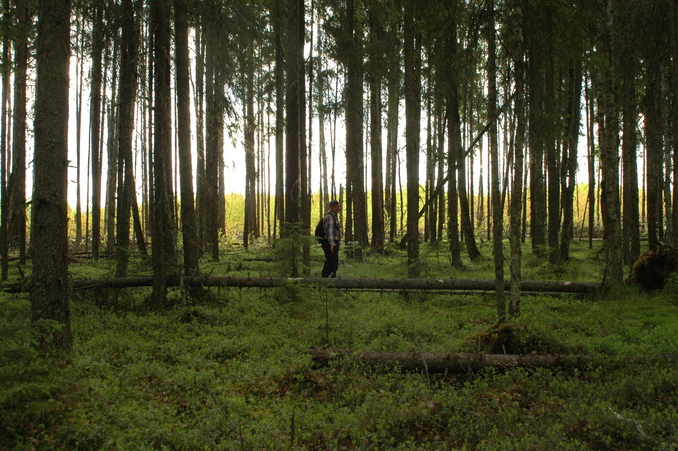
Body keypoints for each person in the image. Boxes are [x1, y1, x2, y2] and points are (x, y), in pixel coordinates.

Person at [321, 200, 342, 278]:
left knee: (330, 263)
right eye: (335, 207)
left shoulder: (333, 216)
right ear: (330, 207)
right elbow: (330, 231)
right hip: (330, 243)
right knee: (332, 265)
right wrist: (332, 243)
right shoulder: (330, 217)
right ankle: (327, 283)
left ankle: (327, 282)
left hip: (331, 243)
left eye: (338, 206)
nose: (337, 208)